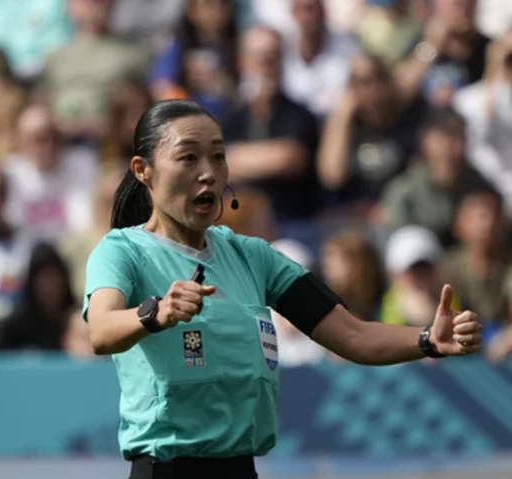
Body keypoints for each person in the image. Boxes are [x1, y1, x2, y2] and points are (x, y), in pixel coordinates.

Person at [83, 99, 482, 478]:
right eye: (188, 157)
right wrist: (155, 313)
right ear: (143, 170)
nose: (208, 172)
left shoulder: (254, 257)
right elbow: (100, 332)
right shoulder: (122, 250)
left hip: (242, 468)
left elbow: (352, 335)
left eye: (218, 156)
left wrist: (428, 339)